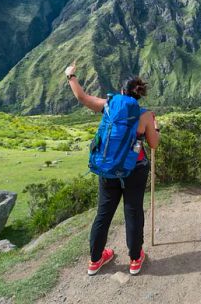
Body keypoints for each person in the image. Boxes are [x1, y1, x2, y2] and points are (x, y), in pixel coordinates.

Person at [65, 62, 160, 276]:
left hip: (108, 168)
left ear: (121, 91)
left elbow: (81, 97)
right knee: (133, 211)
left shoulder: (107, 105)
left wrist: (71, 76)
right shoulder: (145, 115)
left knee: (104, 212)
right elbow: (154, 144)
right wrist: (155, 127)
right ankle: (135, 259)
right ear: (139, 95)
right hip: (135, 169)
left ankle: (95, 260)